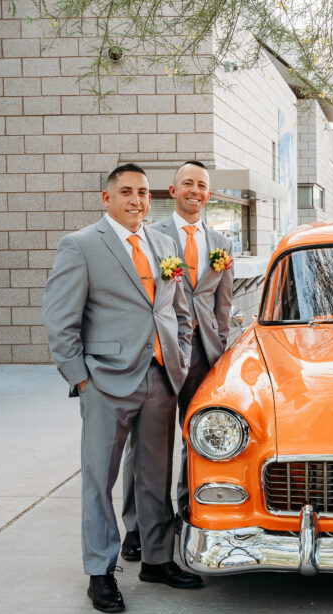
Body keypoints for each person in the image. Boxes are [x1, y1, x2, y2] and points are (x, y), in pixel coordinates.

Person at [43, 163, 204, 614]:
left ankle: (156, 559)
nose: (137, 200)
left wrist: (180, 357)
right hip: (105, 381)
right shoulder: (81, 246)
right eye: (128, 192)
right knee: (100, 479)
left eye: (144, 193)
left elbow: (179, 310)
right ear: (107, 197)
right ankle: (100, 572)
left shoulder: (164, 243)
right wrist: (80, 378)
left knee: (155, 476)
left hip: (159, 376)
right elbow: (61, 321)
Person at [119, 161, 235, 562]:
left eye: (202, 185)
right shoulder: (150, 236)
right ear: (172, 190)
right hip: (162, 354)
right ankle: (136, 526)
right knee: (147, 443)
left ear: (209, 193)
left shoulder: (222, 242)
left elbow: (223, 304)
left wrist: (222, 349)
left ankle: (188, 512)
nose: (195, 190)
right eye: (188, 183)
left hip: (205, 355)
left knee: (197, 438)